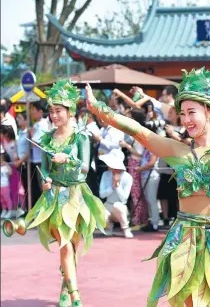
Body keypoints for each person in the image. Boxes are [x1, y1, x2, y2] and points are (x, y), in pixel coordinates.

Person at [86, 67, 210, 307]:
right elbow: (138, 131)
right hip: (184, 239)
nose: (186, 119)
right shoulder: (177, 150)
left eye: (192, 112)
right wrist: (99, 109)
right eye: (183, 113)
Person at [24, 80, 106, 307]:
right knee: (65, 244)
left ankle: (64, 292)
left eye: (58, 111)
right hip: (56, 199)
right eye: (51, 111)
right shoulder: (47, 139)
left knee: (72, 247)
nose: (54, 116)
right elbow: (44, 171)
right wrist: (46, 181)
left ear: (70, 112)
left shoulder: (81, 137)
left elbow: (86, 167)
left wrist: (68, 158)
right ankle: (76, 297)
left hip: (77, 196)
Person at [99, 149, 134, 238]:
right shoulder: (105, 174)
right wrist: (112, 187)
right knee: (100, 211)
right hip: (107, 205)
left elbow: (124, 198)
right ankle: (108, 227)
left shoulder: (127, 177)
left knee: (117, 205)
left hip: (121, 207)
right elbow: (102, 194)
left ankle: (125, 228)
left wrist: (117, 185)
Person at [0, 145, 13, 219]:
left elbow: (10, 173)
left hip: (5, 185)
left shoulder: (6, 165)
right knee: (1, 199)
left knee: (7, 198)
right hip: (0, 185)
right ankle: (4, 210)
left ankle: (10, 210)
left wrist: (6, 164)